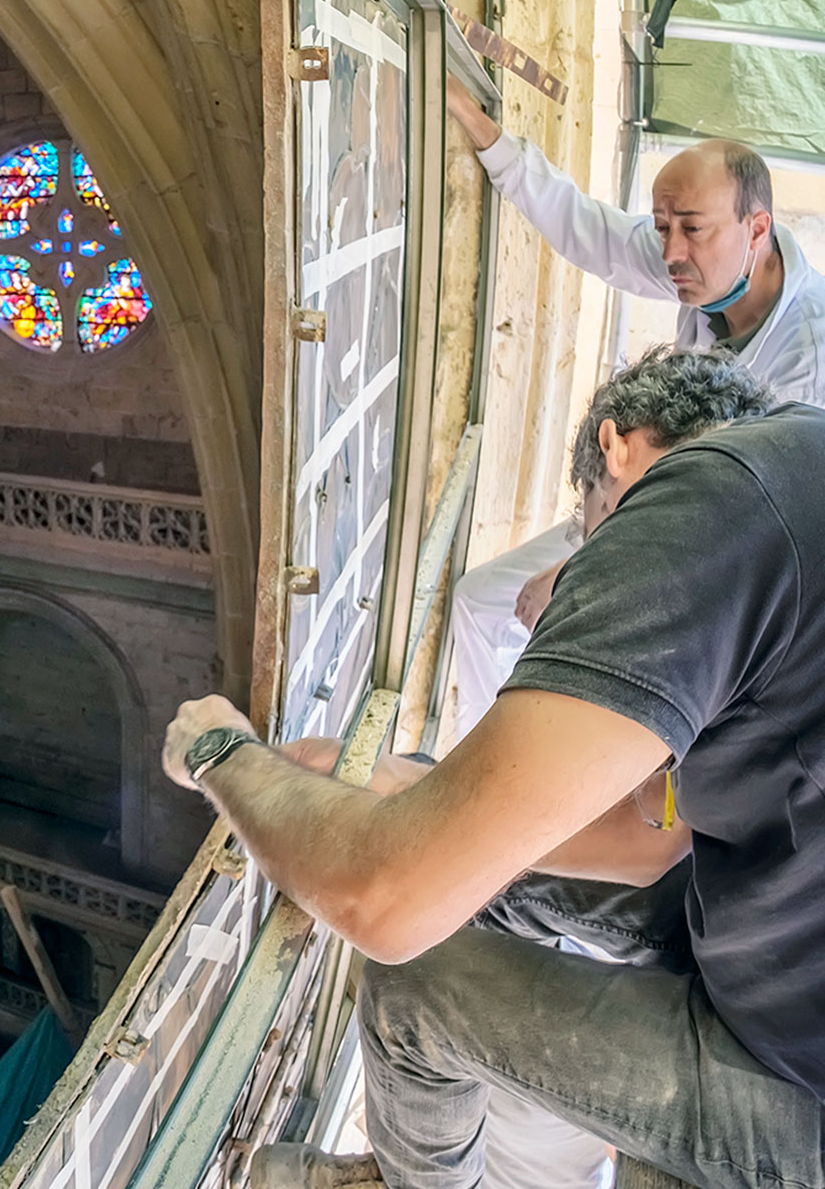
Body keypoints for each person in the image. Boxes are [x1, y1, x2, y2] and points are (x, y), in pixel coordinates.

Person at [163, 350, 825, 1188]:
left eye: (589, 529)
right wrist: (404, 787)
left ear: (612, 447)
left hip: (798, 1092)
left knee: (411, 991)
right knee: (486, 881)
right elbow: (650, 838)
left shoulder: (712, 494)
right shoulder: (794, 484)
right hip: (776, 955)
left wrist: (221, 751)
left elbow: (384, 898)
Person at [441, 76, 825, 745]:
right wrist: (486, 135)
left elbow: (750, 525)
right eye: (662, 227)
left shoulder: (808, 365)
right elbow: (598, 237)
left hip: (733, 564)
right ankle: (491, 784)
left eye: (691, 231)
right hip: (647, 497)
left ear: (756, 227)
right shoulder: (709, 264)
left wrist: (592, 559)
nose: (671, 252)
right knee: (482, 604)